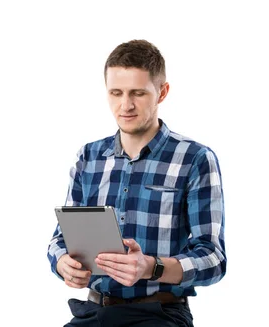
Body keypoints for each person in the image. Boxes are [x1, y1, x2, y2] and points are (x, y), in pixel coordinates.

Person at [47, 39, 226, 327]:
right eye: (116, 93)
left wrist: (151, 267)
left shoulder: (195, 159)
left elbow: (214, 258)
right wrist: (62, 263)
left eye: (138, 93)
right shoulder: (89, 157)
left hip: (160, 315)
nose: (125, 105)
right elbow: (60, 239)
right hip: (93, 313)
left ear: (162, 92)